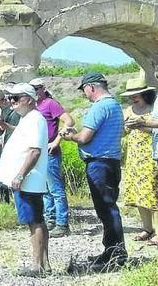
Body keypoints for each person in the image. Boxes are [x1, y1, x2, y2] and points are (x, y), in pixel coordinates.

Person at [60, 72, 127, 270]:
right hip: (111, 162)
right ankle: (111, 252)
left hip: (99, 163)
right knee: (109, 208)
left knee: (107, 209)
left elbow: (85, 137)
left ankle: (116, 255)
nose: (85, 94)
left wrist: (71, 136)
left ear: (91, 87)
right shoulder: (115, 105)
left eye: (84, 90)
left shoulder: (100, 107)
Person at [0, 83, 50, 277]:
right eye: (10, 98)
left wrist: (20, 175)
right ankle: (44, 264)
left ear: (28, 99)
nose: (11, 102)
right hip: (27, 180)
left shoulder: (35, 119)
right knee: (36, 220)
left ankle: (38, 266)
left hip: (29, 180)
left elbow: (34, 151)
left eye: (15, 98)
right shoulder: (28, 119)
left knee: (34, 221)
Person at [30, 78, 74, 237]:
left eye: (36, 88)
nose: (34, 91)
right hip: (39, 151)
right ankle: (50, 219)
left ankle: (62, 223)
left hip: (49, 152)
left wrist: (57, 140)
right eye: (32, 89)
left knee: (55, 189)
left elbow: (69, 121)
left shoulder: (50, 103)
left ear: (42, 88)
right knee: (46, 189)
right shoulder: (34, 106)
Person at [117, 78, 158, 246]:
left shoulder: (153, 109)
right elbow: (122, 132)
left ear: (144, 94)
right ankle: (147, 228)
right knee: (139, 192)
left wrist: (144, 126)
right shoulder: (128, 110)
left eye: (136, 95)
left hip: (150, 154)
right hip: (133, 157)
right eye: (131, 96)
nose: (133, 98)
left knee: (153, 192)